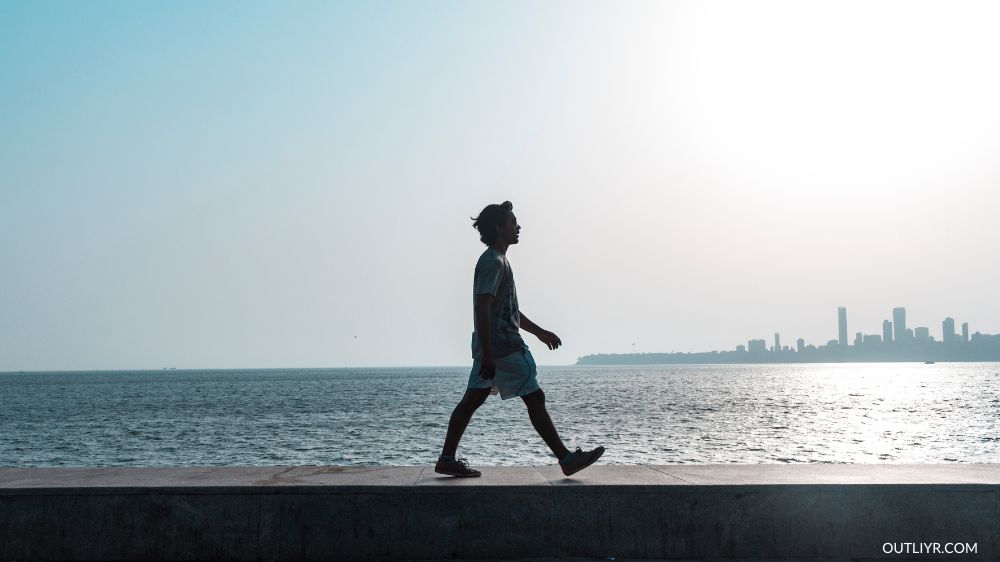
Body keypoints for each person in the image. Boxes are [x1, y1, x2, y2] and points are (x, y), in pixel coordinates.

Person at [435, 201, 605, 477]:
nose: (519, 227)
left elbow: (507, 308)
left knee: (472, 400)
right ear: (500, 228)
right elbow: (483, 307)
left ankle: (446, 458)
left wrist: (538, 331)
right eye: (513, 222)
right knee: (535, 397)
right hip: (503, 348)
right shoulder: (492, 262)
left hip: (493, 347)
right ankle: (565, 458)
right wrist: (489, 353)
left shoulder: (498, 260)